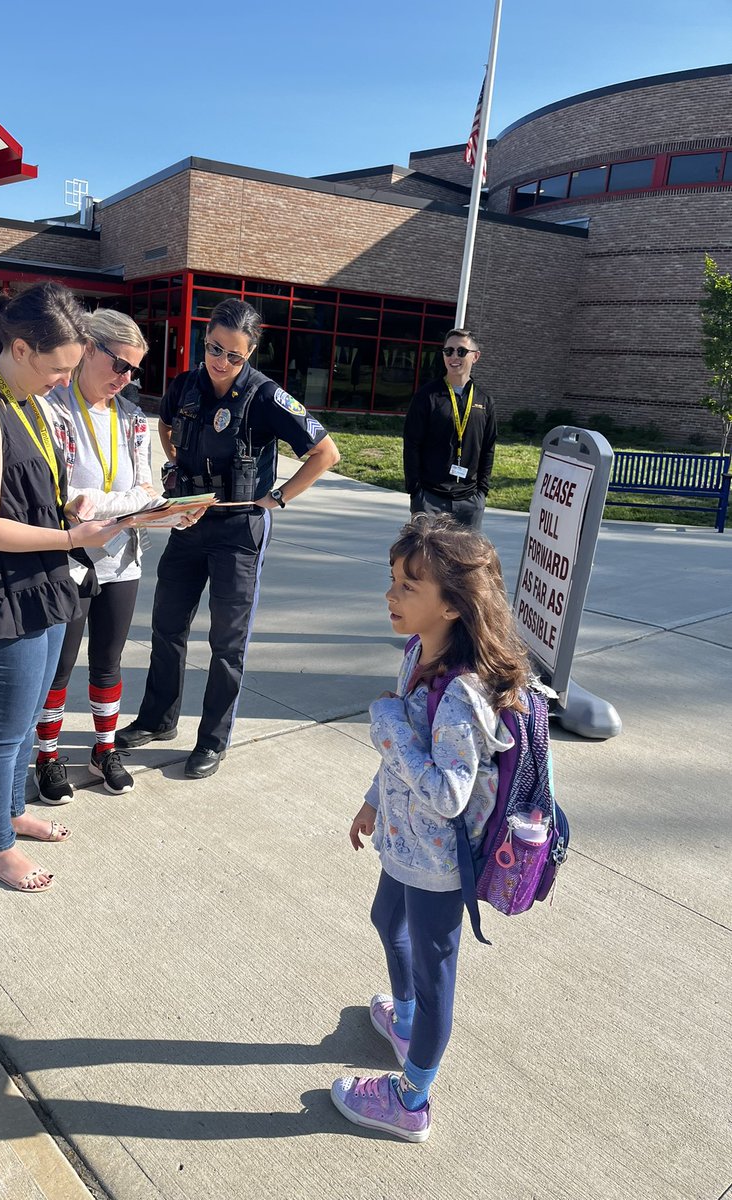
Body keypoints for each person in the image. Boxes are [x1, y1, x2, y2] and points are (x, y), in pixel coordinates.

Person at [0, 282, 136, 893]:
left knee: (26, 718)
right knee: (4, 730)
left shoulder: (26, 402)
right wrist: (76, 541)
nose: (63, 381)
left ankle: (13, 812)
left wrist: (88, 514)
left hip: (38, 582)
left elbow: (28, 495)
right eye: (57, 368)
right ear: (19, 347)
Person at [330, 513, 530, 1141]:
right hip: (404, 839)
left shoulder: (463, 696)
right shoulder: (418, 653)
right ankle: (408, 1019)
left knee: (435, 964)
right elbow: (402, 748)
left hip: (441, 863)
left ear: (452, 605)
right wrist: (372, 799)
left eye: (408, 587)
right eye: (392, 580)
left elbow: (449, 793)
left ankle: (412, 1098)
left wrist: (388, 730)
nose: (391, 596)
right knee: (386, 923)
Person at [116, 297, 340, 779]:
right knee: (167, 626)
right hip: (188, 522)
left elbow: (326, 452)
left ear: (251, 352)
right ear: (205, 340)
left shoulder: (266, 397)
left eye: (233, 356)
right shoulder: (185, 386)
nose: (220, 362)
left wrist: (277, 499)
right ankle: (158, 719)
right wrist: (176, 464)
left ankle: (212, 740)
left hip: (238, 531)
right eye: (214, 349)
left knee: (227, 642)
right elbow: (167, 425)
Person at [33, 310, 167, 804]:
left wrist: (163, 510)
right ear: (88, 348)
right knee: (60, 667)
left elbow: (145, 487)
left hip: (122, 558)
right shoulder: (54, 409)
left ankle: (104, 749)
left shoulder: (131, 416)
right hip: (69, 558)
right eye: (119, 365)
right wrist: (129, 500)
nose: (126, 379)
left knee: (108, 661)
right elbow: (68, 494)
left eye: (134, 370)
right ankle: (48, 756)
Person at [402, 328, 497, 530]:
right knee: (425, 560)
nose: (454, 356)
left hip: (469, 501)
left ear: (475, 356)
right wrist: (416, 490)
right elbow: (411, 444)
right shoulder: (427, 396)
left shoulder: (484, 400)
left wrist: (482, 491)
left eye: (461, 351)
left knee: (466, 561)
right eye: (449, 351)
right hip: (430, 498)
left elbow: (488, 448)